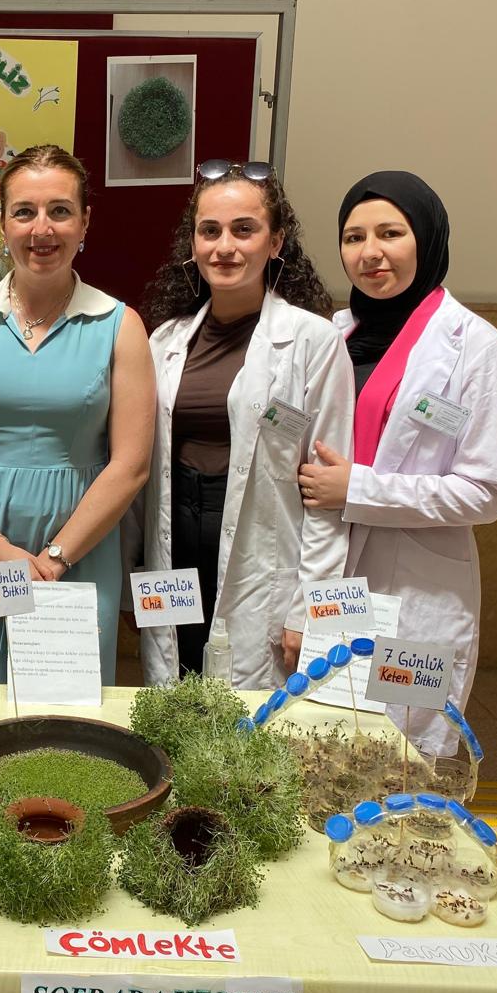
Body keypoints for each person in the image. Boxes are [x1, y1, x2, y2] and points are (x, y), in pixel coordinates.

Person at [299, 170, 497, 757]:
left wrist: (358, 489)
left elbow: (486, 491)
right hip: (331, 579)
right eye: (353, 237)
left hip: (416, 591)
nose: (370, 253)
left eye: (390, 233)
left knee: (404, 763)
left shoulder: (477, 349)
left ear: (427, 239)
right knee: (320, 750)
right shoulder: (331, 336)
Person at [0, 144, 154, 687]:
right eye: (24, 212)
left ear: (85, 222)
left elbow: (131, 465)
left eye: (60, 211)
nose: (41, 229)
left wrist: (54, 559)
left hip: (79, 543)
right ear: (3, 224)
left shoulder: (120, 326)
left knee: (61, 701)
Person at [137, 159, 354, 687]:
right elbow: (142, 473)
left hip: (261, 554)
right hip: (174, 541)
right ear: (193, 244)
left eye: (244, 230)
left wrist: (310, 607)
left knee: (246, 703)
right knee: (176, 687)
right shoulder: (165, 341)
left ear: (275, 242)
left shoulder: (313, 342)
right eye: (209, 231)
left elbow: (327, 494)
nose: (224, 247)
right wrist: (134, 584)